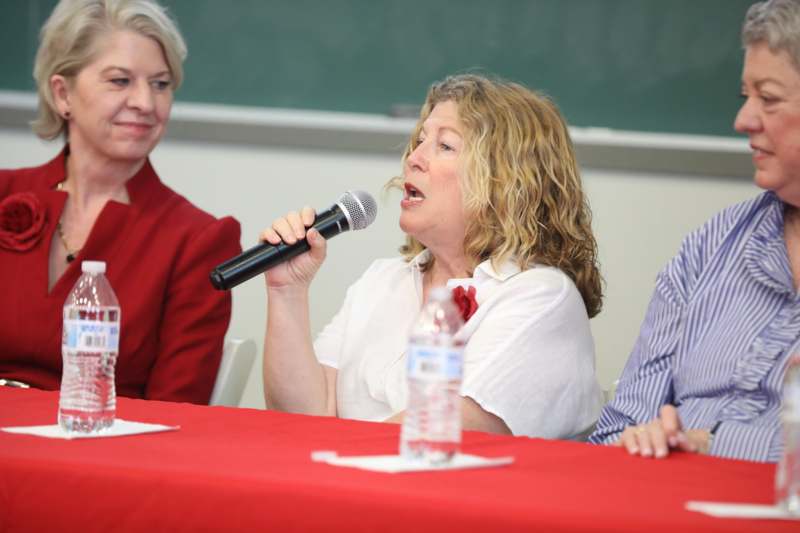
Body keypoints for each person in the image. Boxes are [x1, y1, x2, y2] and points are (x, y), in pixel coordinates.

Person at [261, 74, 604, 438]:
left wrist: (322, 459)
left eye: (445, 146)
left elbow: (435, 434)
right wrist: (287, 292)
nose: (414, 158)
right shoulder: (382, 280)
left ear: (508, 180)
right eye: (420, 140)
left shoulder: (539, 297)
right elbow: (300, 419)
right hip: (345, 484)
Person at [589, 0, 800, 462]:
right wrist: (640, 441)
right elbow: (618, 430)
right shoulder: (710, 246)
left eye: (768, 98)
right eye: (745, 96)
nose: (743, 120)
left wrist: (713, 443)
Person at [0, 0, 241, 403]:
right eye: (120, 81)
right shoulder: (5, 194)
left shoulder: (197, 240)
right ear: (63, 94)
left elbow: (176, 412)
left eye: (161, 84)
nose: (146, 103)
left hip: (98, 452)